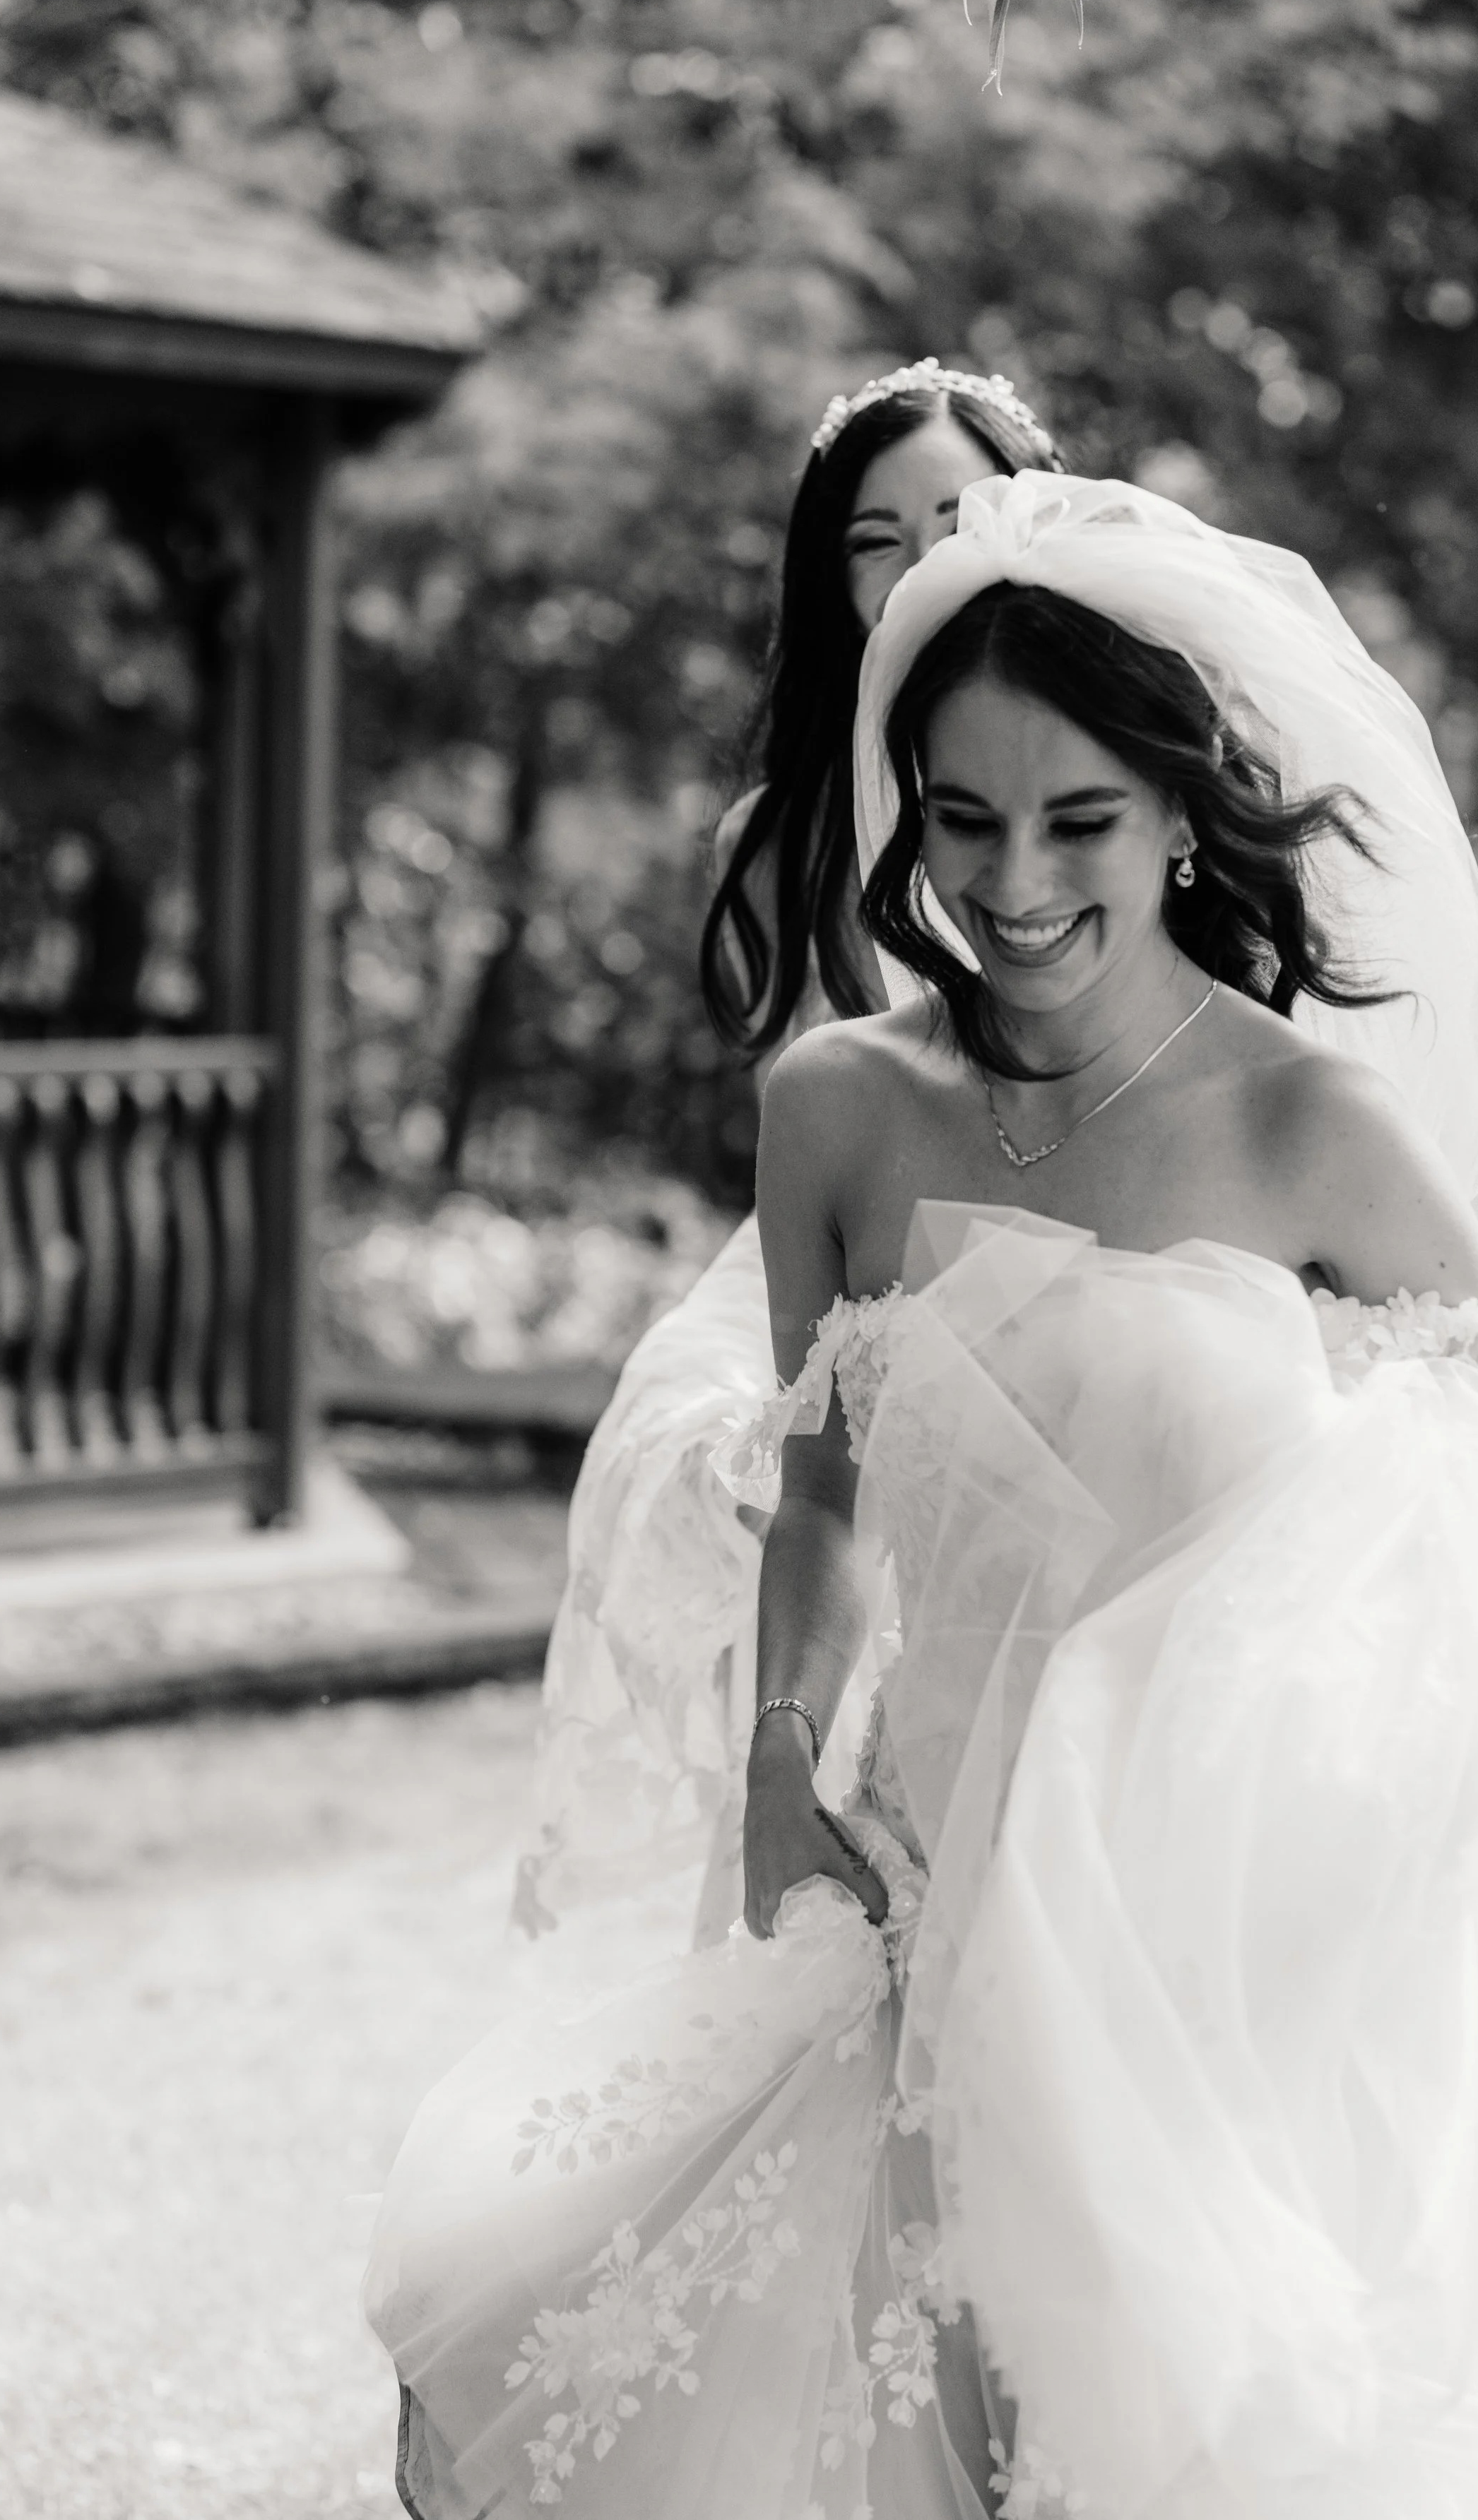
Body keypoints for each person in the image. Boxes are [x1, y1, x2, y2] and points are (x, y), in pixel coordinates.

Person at [367, 475, 1478, 2520]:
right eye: (965, 817)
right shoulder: (837, 1107)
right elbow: (821, 1491)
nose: (1012, 882)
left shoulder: (1314, 1127)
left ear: (1183, 811)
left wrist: (1252, 1725)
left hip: (1204, 1938)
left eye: (1076, 818)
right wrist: (772, 1756)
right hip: (918, 1888)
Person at [511, 361, 1064, 1950]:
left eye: (954, 517)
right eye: (871, 539)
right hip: (865, 1247)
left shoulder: (1109, 781)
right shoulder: (787, 831)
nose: (916, 564)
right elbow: (819, 1114)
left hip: (1065, 1230)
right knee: (745, 1493)